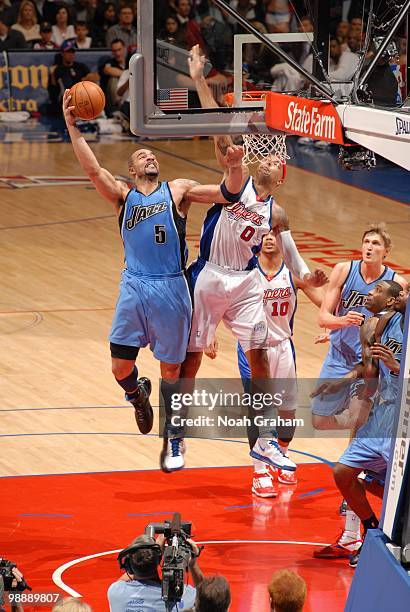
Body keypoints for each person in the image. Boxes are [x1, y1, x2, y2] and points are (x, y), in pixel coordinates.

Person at [62, 89, 244, 462]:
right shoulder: (122, 196)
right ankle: (135, 395)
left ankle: (175, 435)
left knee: (172, 369)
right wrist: (72, 126)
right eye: (141, 155)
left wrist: (236, 166)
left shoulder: (178, 189)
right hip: (134, 284)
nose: (149, 156)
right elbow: (93, 170)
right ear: (131, 170)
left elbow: (228, 194)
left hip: (172, 286)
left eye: (152, 154)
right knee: (119, 366)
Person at [176, 45, 325, 476]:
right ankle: (178, 430)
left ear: (281, 175)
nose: (273, 156)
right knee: (192, 357)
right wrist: (201, 81)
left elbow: (297, 268)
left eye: (280, 158)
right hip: (209, 273)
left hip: (242, 282)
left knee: (259, 354)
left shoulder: (276, 215)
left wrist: (309, 277)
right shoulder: (235, 182)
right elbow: (218, 133)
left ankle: (263, 444)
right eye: (272, 151)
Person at [315, 281, 407, 566]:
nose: (368, 293)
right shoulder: (370, 327)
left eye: (377, 290)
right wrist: (342, 384)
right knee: (343, 472)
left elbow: (394, 369)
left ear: (392, 301)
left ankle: (398, 535)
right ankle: (371, 529)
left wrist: (396, 367)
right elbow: (370, 377)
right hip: (382, 415)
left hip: (404, 419)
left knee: (397, 489)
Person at [237, 231, 325, 496]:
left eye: (274, 233)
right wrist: (206, 336)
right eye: (263, 233)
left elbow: (324, 303)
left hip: (284, 346)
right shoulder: (245, 271)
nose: (269, 237)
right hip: (252, 348)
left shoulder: (292, 273)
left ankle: (282, 455)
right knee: (259, 409)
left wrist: (333, 324)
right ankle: (259, 470)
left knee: (288, 413)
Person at [311, 223, 406, 432]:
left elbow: (400, 327)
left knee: (358, 420)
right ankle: (363, 422)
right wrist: (341, 323)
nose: (369, 247)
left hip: (369, 362)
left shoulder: (396, 283)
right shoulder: (344, 270)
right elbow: (323, 318)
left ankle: (357, 457)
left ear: (386, 252)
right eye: (366, 242)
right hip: (339, 356)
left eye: (375, 243)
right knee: (319, 422)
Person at [107, 534, 202, 611]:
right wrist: (192, 564)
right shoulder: (181, 596)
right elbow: (205, 596)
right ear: (159, 561)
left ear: (128, 566)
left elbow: (122, 580)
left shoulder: (115, 592)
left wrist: (156, 552)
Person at [99, 38, 127, 116]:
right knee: (113, 79)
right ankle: (118, 108)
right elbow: (108, 70)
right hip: (114, 101)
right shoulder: (109, 62)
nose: (117, 53)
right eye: (114, 51)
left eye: (119, 50)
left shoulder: (130, 61)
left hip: (129, 94)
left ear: (124, 49)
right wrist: (129, 75)